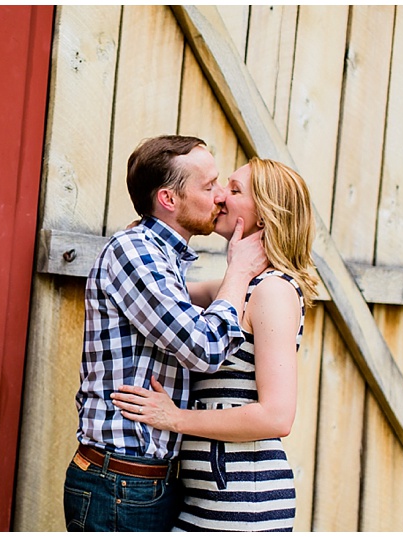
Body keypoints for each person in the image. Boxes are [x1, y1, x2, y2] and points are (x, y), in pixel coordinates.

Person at [63, 135, 268, 532]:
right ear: (169, 200)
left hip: (142, 481)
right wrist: (239, 272)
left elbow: (186, 312)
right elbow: (206, 349)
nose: (221, 196)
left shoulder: (162, 258)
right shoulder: (135, 251)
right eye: (208, 186)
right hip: (121, 485)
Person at [111, 157, 318, 532]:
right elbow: (162, 297)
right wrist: (145, 240)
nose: (220, 195)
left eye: (235, 190)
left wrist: (174, 418)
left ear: (265, 215)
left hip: (244, 504)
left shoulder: (272, 291)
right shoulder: (236, 288)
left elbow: (277, 415)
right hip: (204, 500)